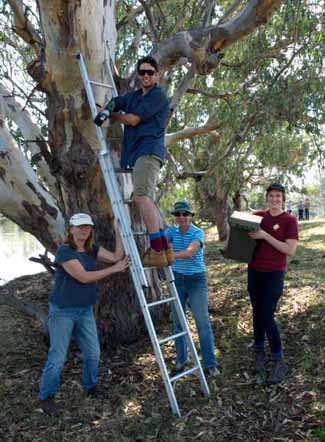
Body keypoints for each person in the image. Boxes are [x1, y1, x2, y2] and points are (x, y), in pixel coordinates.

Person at [38, 213, 129, 416]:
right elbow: (85, 277)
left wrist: (118, 232)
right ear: (71, 229)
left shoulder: (91, 249)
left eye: (87, 226)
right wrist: (115, 269)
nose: (83, 230)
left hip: (84, 310)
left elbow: (116, 257)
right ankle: (46, 397)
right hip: (62, 311)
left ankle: (90, 385)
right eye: (79, 227)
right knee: (58, 357)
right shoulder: (64, 251)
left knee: (93, 353)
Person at [94, 56, 172, 269]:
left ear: (156, 75)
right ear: (138, 75)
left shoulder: (158, 96)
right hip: (137, 153)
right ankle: (164, 248)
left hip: (148, 151)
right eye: (142, 72)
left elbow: (133, 119)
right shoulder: (135, 96)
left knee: (141, 198)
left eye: (150, 72)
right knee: (145, 199)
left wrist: (112, 116)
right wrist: (108, 107)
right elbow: (119, 101)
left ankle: (157, 249)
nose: (146, 76)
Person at [248, 183, 298, 384]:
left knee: (267, 314)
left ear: (283, 199)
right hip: (254, 271)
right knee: (256, 311)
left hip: (274, 274)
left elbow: (289, 250)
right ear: (267, 198)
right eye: (271, 195)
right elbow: (242, 229)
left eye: (278, 196)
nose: (275, 199)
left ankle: (278, 358)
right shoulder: (258, 215)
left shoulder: (289, 220)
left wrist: (265, 236)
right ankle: (259, 348)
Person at [166, 201, 219, 377]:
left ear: (190, 216)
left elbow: (190, 252)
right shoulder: (172, 231)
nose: (181, 217)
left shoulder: (197, 232)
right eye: (178, 214)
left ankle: (210, 363)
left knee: (202, 322)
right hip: (177, 280)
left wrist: (167, 256)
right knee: (178, 322)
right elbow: (158, 241)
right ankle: (181, 359)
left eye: (185, 214)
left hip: (196, 280)